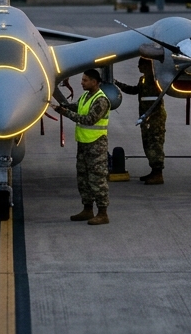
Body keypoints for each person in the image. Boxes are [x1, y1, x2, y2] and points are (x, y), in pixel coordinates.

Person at [53, 69, 111, 225]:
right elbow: (75, 107)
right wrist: (61, 106)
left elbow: (89, 119)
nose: (82, 82)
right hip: (84, 144)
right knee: (83, 178)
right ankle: (87, 209)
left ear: (94, 82)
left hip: (96, 145)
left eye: (85, 80)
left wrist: (65, 113)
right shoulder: (86, 96)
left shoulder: (101, 100)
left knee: (97, 179)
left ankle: (102, 213)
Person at [115, 58, 165, 184]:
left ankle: (158, 173)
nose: (138, 67)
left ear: (148, 66)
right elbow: (134, 90)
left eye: (140, 65)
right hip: (146, 118)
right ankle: (154, 171)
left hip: (155, 118)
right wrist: (117, 83)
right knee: (148, 144)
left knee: (155, 145)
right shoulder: (142, 79)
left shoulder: (155, 79)